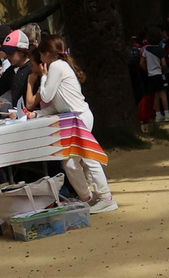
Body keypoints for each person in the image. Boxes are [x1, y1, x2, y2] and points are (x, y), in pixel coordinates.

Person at [36, 35, 119, 214]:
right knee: (71, 164)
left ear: (47, 54)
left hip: (79, 118)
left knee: (86, 160)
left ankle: (105, 197)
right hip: (74, 118)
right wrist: (37, 113)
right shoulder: (59, 66)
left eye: (40, 54)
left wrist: (43, 78)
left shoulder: (56, 66)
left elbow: (46, 97)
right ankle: (88, 198)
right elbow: (59, 103)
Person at [0, 29, 34, 109]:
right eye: (6, 52)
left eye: (10, 53)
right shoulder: (10, 72)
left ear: (22, 52)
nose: (7, 56)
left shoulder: (32, 69)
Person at [143, 27, 169, 121]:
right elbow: (164, 64)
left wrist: (148, 69)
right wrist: (164, 70)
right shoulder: (160, 50)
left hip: (151, 75)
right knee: (163, 94)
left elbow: (141, 63)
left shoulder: (146, 50)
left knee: (156, 96)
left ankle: (158, 115)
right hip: (159, 73)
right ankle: (167, 114)